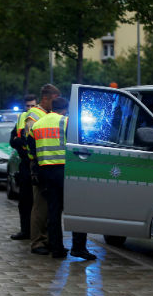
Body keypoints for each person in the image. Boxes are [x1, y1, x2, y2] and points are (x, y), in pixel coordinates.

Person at [28, 97, 96, 260]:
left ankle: (56, 249)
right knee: (77, 209)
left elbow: (31, 150)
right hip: (65, 170)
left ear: (52, 107)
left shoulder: (38, 124)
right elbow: (78, 147)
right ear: (65, 109)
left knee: (53, 211)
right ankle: (78, 248)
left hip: (46, 172)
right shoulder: (66, 123)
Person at [24, 84, 60, 255]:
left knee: (49, 206)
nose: (56, 103)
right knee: (40, 205)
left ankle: (47, 240)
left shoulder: (49, 115)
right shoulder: (34, 115)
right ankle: (37, 242)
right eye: (54, 99)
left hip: (51, 166)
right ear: (46, 98)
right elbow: (30, 142)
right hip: (39, 165)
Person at [8, 94, 37, 240]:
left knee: (38, 203)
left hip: (38, 164)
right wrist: (19, 141)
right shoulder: (21, 119)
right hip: (25, 164)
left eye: (33, 105)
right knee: (24, 202)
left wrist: (19, 140)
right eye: (28, 106)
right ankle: (25, 231)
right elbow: (12, 141)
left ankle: (37, 233)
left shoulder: (41, 117)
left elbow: (23, 140)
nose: (30, 108)